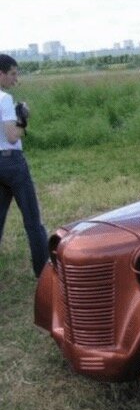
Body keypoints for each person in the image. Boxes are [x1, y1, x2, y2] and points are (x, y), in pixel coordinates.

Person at [0, 54, 48, 277]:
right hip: (12, 162)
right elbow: (12, 136)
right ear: (1, 73)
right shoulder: (4, 99)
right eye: (12, 74)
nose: (15, 79)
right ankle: (44, 272)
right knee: (32, 220)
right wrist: (23, 118)